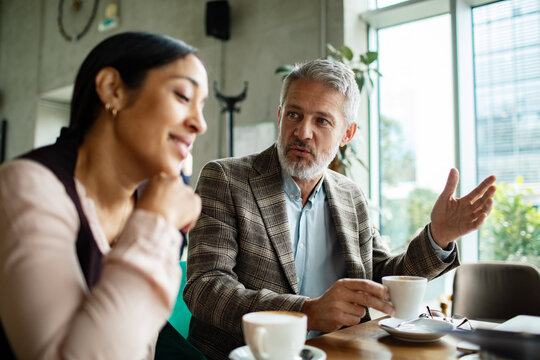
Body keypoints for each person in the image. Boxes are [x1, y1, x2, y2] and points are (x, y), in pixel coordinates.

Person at [184, 59, 497, 360]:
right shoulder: (225, 179)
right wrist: (307, 311)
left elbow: (382, 279)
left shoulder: (350, 195)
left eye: (322, 120)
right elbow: (206, 288)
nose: (303, 132)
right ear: (280, 116)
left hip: (342, 352)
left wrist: (437, 237)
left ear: (347, 134)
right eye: (294, 115)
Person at [0, 32, 208, 359]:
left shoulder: (148, 196)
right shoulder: (27, 185)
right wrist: (157, 223)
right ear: (113, 89)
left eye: (202, 105)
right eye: (183, 96)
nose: (200, 123)